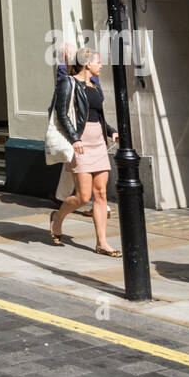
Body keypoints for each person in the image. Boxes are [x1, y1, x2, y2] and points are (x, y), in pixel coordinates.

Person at [49, 50, 120, 256]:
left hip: (98, 142)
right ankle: (58, 218)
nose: (101, 66)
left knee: (101, 194)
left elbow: (97, 115)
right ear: (87, 64)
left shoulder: (95, 86)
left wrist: (111, 131)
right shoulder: (68, 83)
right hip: (80, 143)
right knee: (82, 197)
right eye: (98, 62)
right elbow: (62, 114)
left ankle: (102, 243)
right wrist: (75, 138)